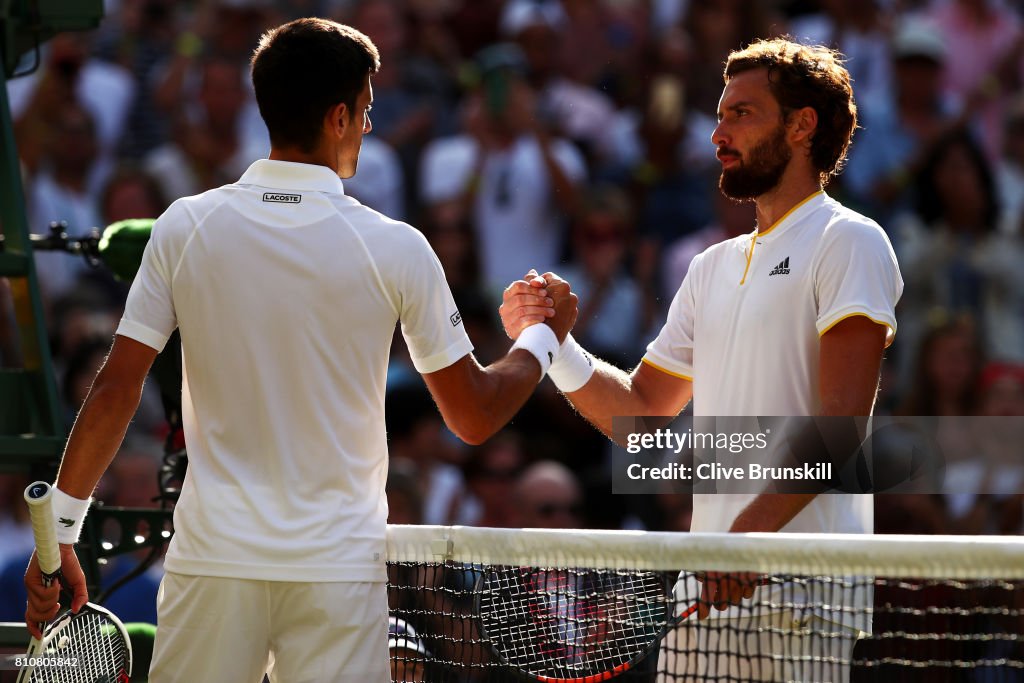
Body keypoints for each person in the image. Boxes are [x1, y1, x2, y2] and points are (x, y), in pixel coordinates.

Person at [23, 18, 575, 683]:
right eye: (366, 113)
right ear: (339, 117)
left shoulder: (185, 226)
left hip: (214, 560)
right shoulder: (396, 246)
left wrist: (60, 533)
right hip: (336, 572)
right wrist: (543, 337)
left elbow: (115, 388)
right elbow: (474, 415)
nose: (369, 130)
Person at [501, 38, 904, 682]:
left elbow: (840, 429)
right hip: (710, 590)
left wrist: (743, 540)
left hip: (803, 597)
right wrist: (557, 345)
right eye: (719, 115)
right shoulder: (709, 266)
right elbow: (640, 410)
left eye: (742, 113)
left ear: (802, 126)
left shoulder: (849, 240)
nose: (719, 132)